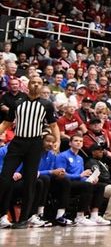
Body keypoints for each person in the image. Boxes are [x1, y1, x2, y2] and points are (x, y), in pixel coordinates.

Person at [0, 76, 60, 229]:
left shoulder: (46, 104)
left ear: (41, 86)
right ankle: (2, 215)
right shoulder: (17, 102)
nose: (36, 85)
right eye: (33, 82)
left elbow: (53, 126)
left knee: (30, 182)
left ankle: (24, 219)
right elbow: (6, 123)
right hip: (17, 142)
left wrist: (58, 141)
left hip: (35, 145)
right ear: (27, 85)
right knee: (5, 178)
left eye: (39, 83)